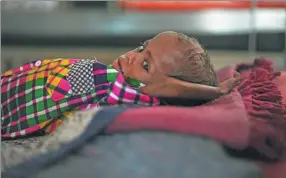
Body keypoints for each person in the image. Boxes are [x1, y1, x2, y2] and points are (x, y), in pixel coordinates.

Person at [1, 31, 240, 139]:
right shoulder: (111, 88)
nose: (131, 56)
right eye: (140, 47)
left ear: (168, 88)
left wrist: (216, 91)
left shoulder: (126, 92)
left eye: (146, 65)